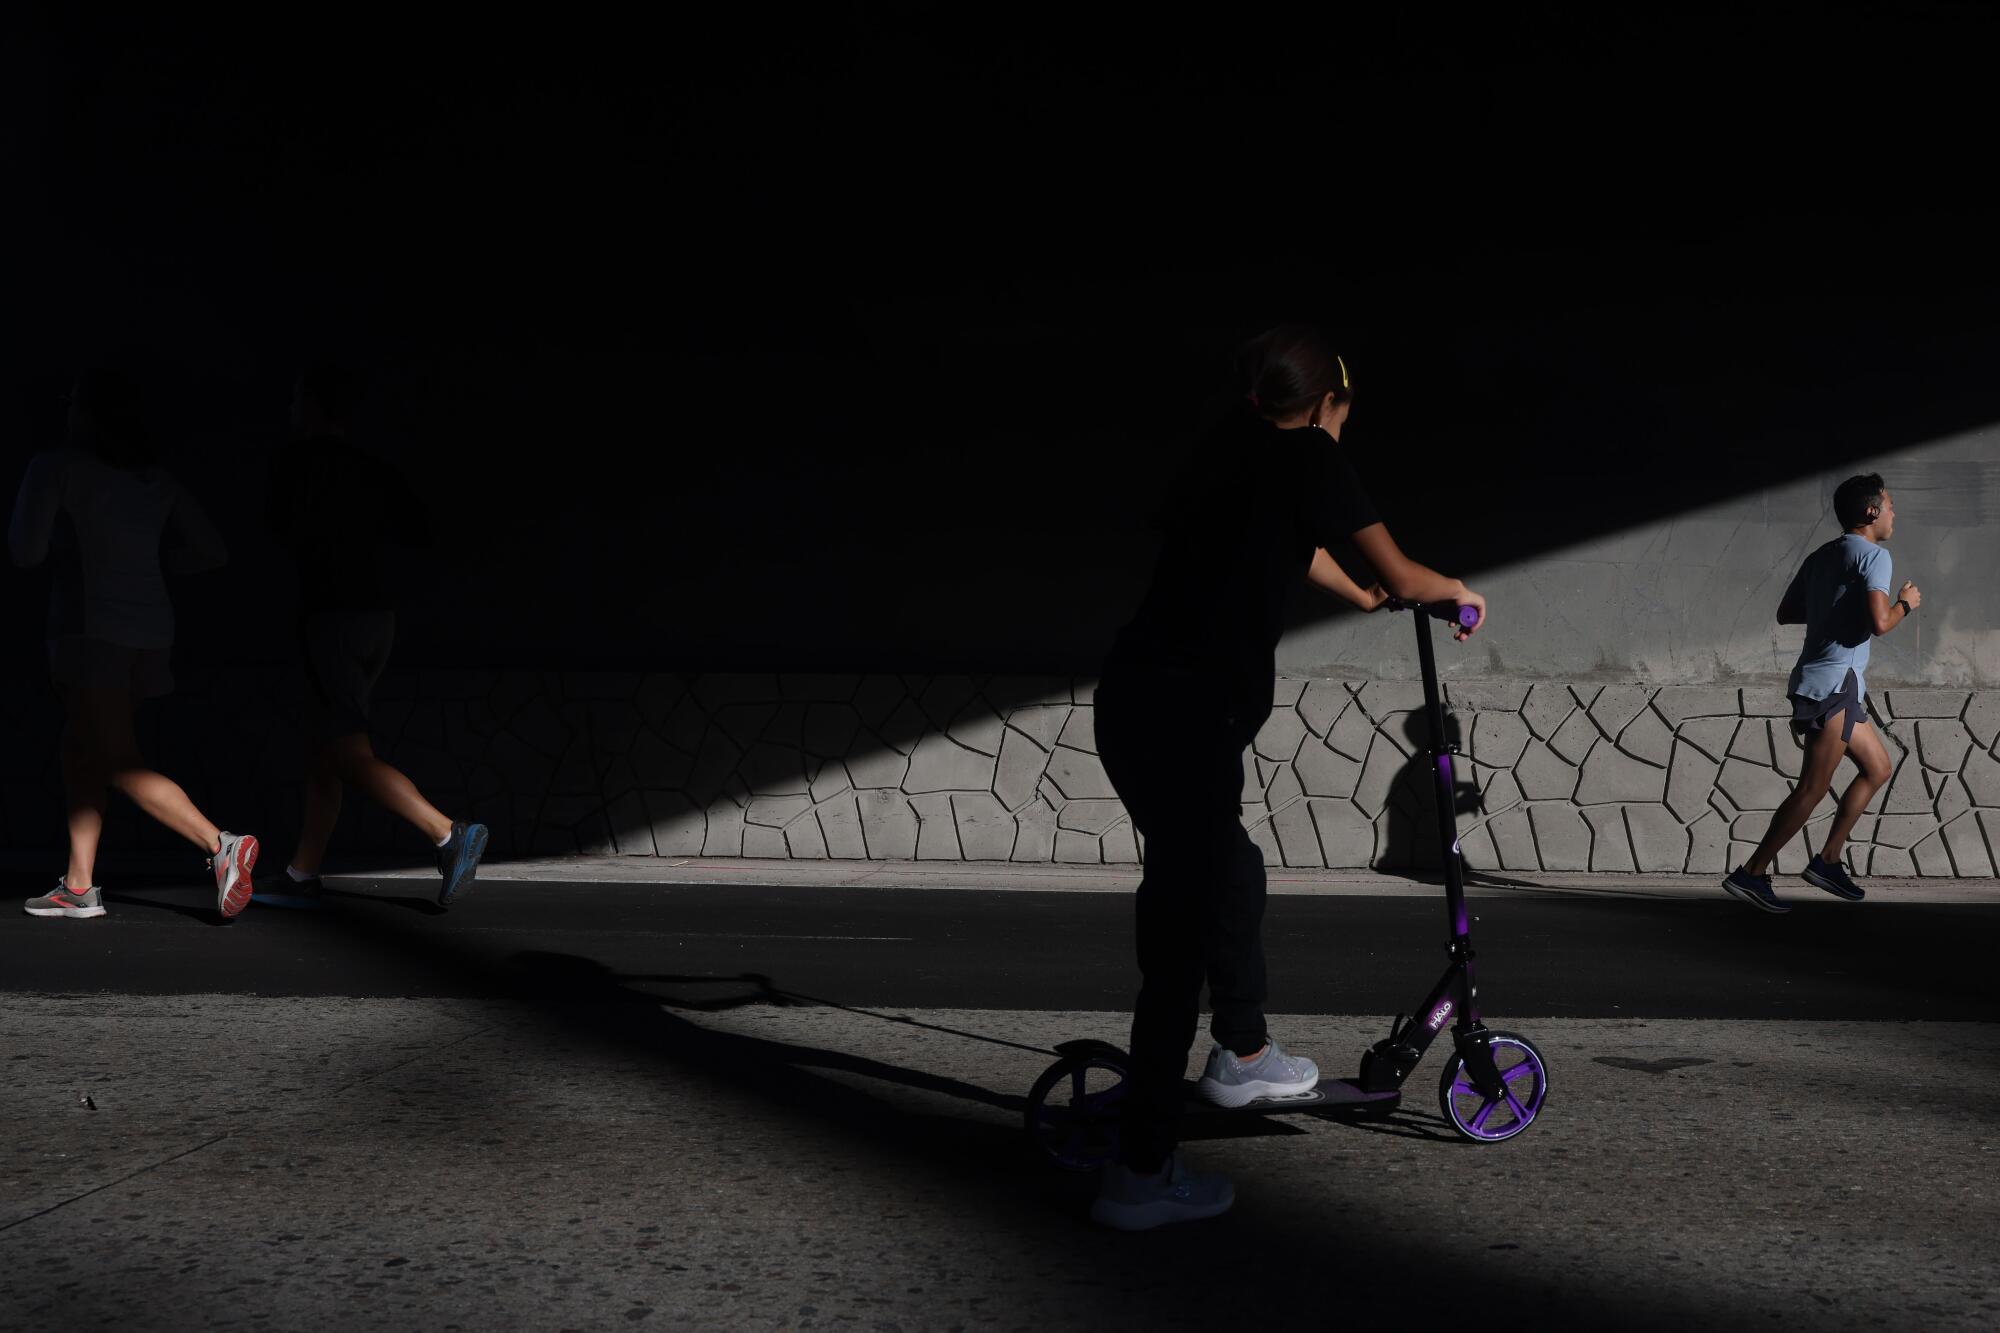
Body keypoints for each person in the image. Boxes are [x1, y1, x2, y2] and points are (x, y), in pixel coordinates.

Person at [1089, 324, 1486, 1230]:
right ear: (1326, 404)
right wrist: (1454, 588)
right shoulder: (1310, 452)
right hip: (1191, 720)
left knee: (1231, 872)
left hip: (1139, 704)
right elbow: (1403, 567)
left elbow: (1293, 545)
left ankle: (1240, 1053)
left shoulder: (1231, 446)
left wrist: (1358, 595)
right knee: (1182, 937)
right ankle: (1139, 1176)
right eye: (1343, 413)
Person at [10, 369, 260, 920]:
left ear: (84, 413)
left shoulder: (56, 467)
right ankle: (79, 886)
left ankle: (221, 845)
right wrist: (162, 565)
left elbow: (24, 552)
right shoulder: (154, 480)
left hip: (88, 630)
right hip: (150, 633)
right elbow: (212, 551)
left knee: (116, 758)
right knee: (81, 749)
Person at [264, 364, 487, 907]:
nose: (290, 407)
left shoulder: (300, 465)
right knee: (327, 748)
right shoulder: (371, 469)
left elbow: (276, 530)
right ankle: (301, 875)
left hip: (330, 617)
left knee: (344, 750)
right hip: (376, 620)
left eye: (296, 396)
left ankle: (446, 832)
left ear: (315, 405)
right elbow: (420, 530)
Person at [1722, 473, 1914, 913]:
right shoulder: (1875, 556)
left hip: (1822, 683)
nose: (1893, 514)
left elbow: (1787, 612)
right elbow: (1880, 624)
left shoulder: (1823, 555)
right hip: (1834, 688)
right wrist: (1905, 603)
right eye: (1889, 506)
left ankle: (1827, 861)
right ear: (1872, 512)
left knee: (1878, 767)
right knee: (1812, 788)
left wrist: (1835, 602)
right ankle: (1751, 872)